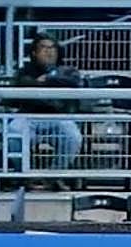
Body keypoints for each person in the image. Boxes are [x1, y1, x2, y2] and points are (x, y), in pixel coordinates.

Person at [10, 32, 84, 173]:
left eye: (52, 48)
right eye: (44, 48)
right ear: (34, 52)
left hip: (59, 116)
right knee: (14, 131)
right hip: (29, 116)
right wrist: (41, 82)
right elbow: (22, 83)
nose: (49, 52)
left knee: (73, 136)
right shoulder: (25, 70)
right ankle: (23, 174)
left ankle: (55, 174)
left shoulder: (68, 70)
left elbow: (74, 82)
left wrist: (47, 79)